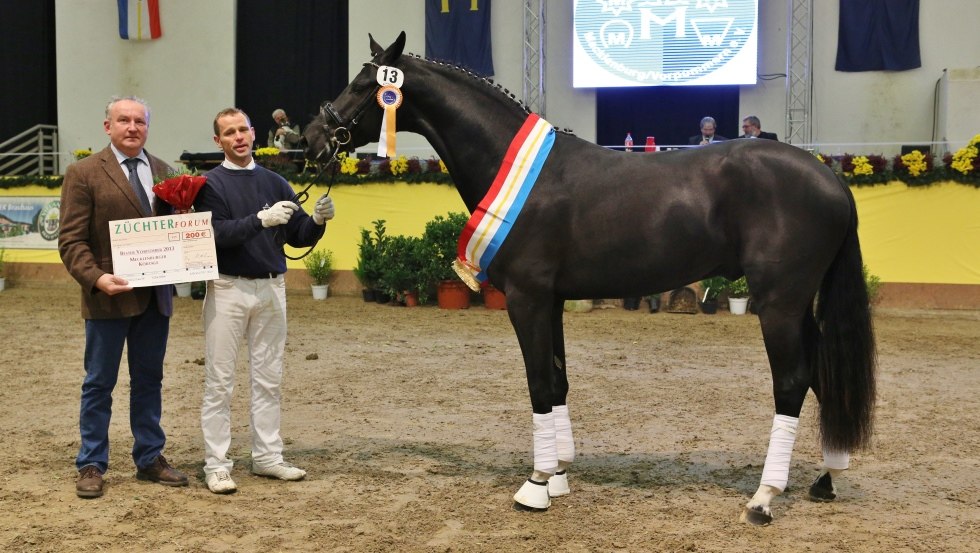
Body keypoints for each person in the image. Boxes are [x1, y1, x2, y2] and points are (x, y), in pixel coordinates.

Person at [193, 107, 336, 494]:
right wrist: (261, 220)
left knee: (269, 378)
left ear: (254, 133)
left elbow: (298, 235)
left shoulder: (275, 181)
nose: (238, 137)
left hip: (272, 287)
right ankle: (217, 464)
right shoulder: (211, 184)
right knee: (220, 382)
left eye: (243, 129)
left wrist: (318, 221)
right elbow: (216, 234)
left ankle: (267, 457)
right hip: (228, 288)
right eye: (229, 132)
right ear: (218, 140)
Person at [59, 95, 188, 499]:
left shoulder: (167, 171)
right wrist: (96, 278)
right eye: (124, 121)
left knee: (149, 380)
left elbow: (176, 230)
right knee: (99, 383)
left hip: (155, 298)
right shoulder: (83, 173)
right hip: (107, 297)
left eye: (140, 121)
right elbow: (71, 240)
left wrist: (186, 230)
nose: (132, 128)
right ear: (107, 127)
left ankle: (149, 457)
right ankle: (92, 462)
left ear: (147, 127)